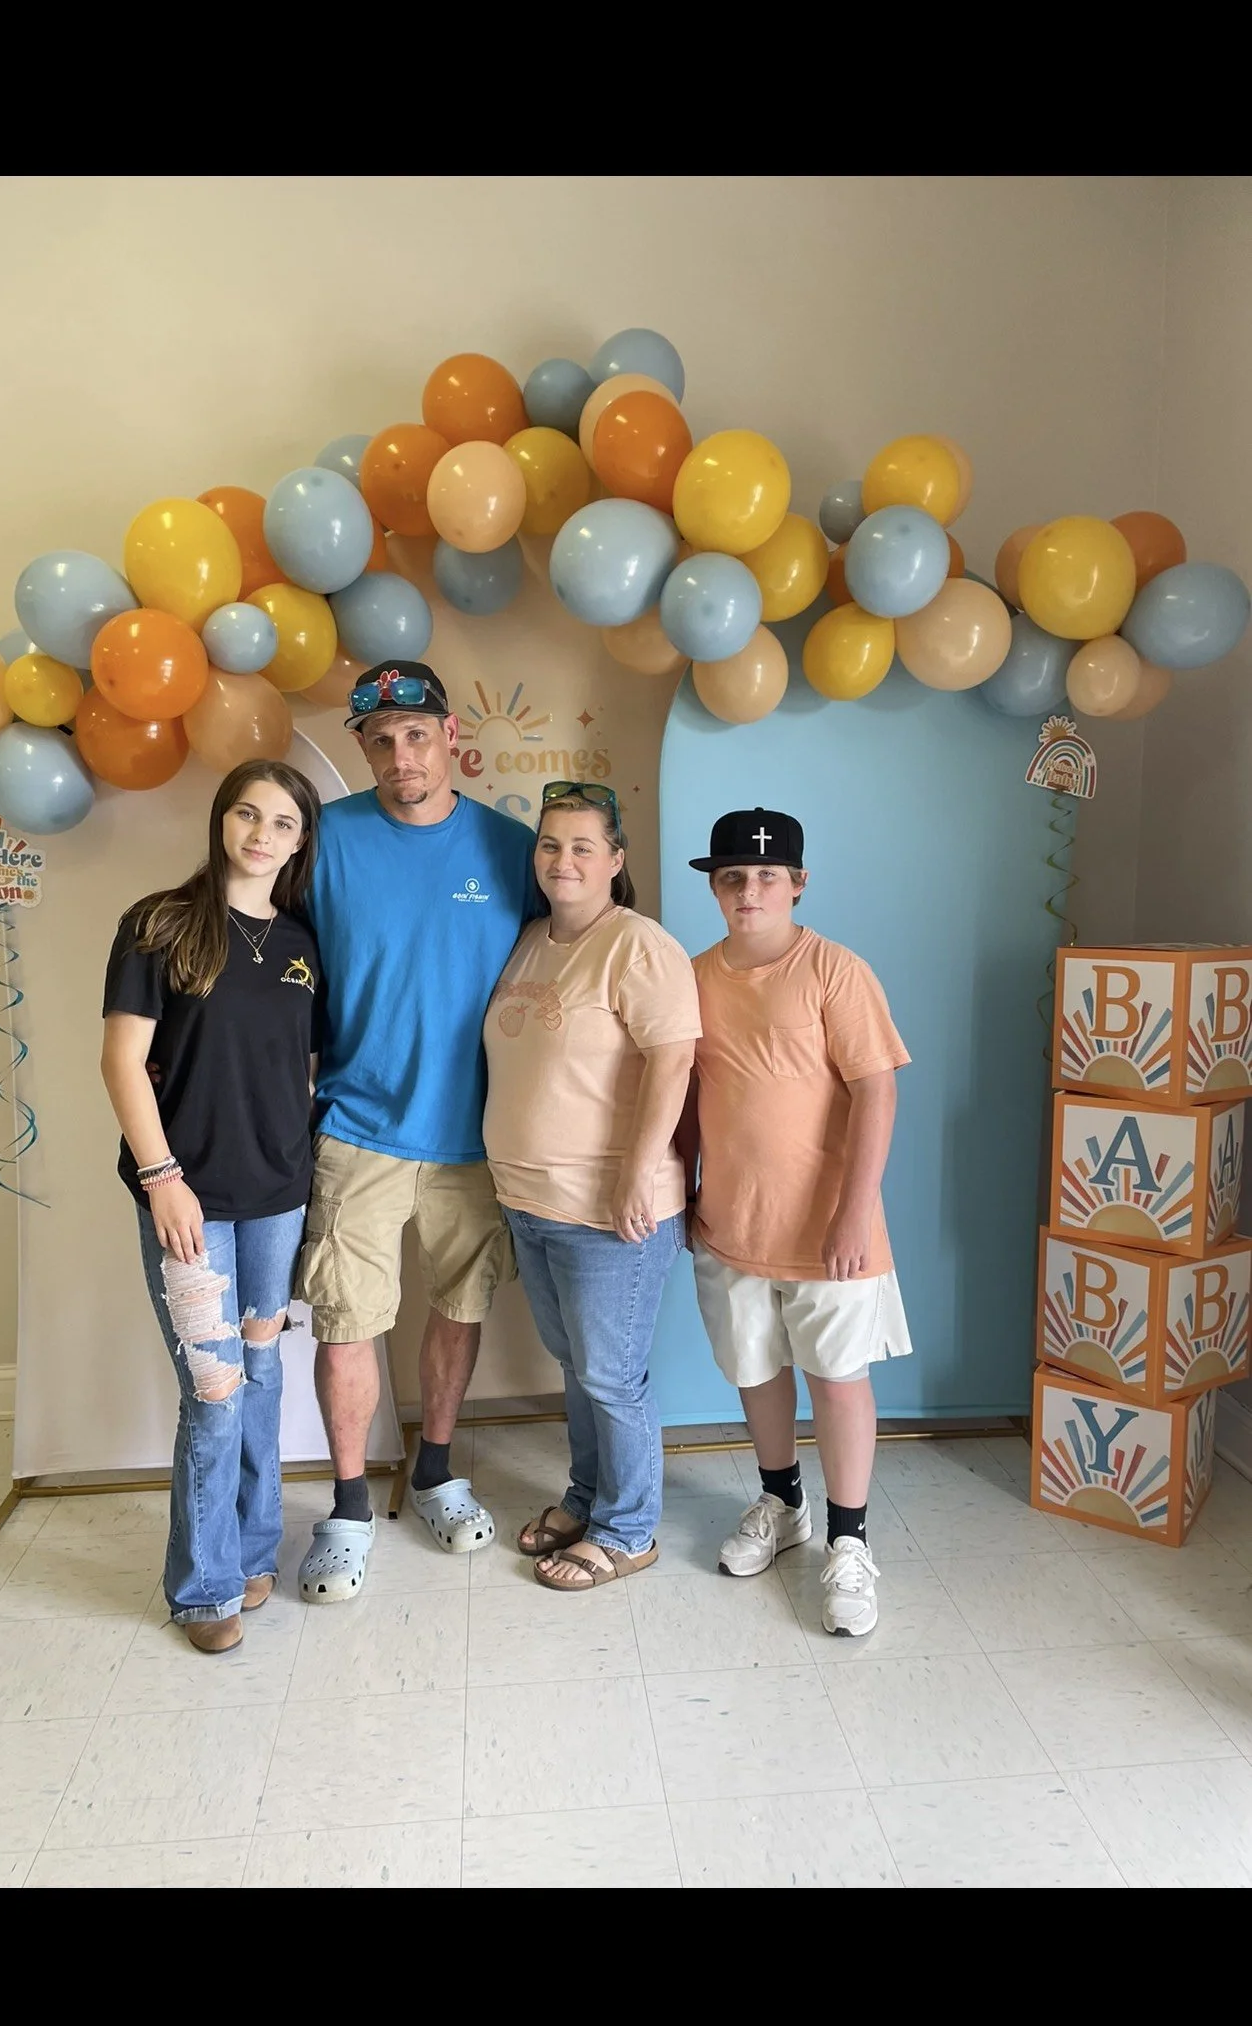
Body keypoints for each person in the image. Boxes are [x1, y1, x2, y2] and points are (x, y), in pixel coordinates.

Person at [294, 659, 545, 1602]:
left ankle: (434, 1467)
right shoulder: (326, 841)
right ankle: (351, 1505)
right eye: (380, 740)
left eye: (416, 735)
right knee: (346, 1319)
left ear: (449, 737)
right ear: (362, 749)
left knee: (461, 1305)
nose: (402, 756)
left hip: (475, 1135)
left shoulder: (513, 848)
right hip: (355, 1124)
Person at [100, 763, 324, 1654]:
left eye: (281, 822)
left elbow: (304, 1068)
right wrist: (163, 1177)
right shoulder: (159, 924)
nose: (261, 834)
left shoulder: (306, 940)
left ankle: (256, 1547)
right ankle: (203, 1590)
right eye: (246, 813)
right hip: (185, 1200)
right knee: (216, 1387)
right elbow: (122, 1064)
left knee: (264, 1375)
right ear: (221, 821)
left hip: (277, 1197)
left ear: (300, 840)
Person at [680, 806, 912, 1638]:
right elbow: (689, 1096)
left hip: (828, 1231)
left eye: (767, 876)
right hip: (731, 1221)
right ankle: (783, 1503)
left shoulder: (835, 971)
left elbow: (877, 1090)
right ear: (714, 885)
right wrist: (682, 1193)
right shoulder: (697, 975)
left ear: (798, 883)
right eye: (733, 876)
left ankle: (849, 1542)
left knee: (838, 1377)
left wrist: (855, 1213)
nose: (749, 890)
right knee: (756, 1368)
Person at [482, 781, 701, 1590]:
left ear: (615, 859)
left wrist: (639, 1175)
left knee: (611, 1375)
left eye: (582, 846)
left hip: (612, 1209)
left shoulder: (638, 946)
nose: (562, 859)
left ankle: (630, 1529)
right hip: (530, 1201)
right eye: (549, 844)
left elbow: (674, 1060)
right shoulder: (533, 938)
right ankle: (585, 1498)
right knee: (578, 1367)